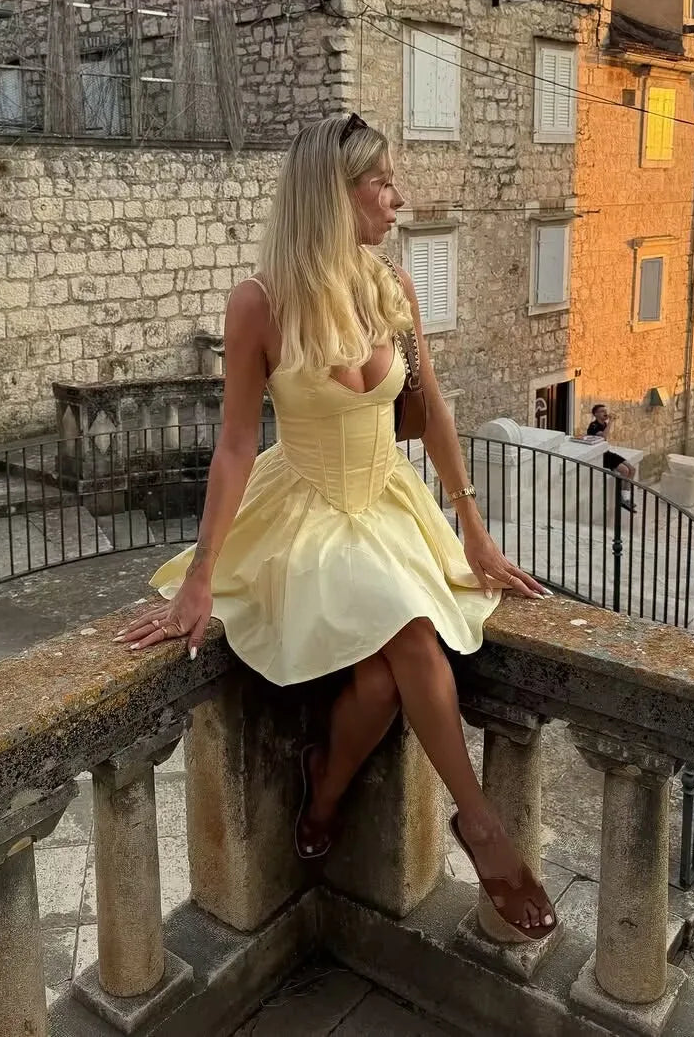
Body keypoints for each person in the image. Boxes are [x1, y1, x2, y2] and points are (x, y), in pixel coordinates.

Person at [116, 114, 558, 941]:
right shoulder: (260, 304)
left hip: (389, 506)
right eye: (381, 183)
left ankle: (323, 790)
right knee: (415, 633)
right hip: (309, 510)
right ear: (332, 193)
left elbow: (428, 411)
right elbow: (239, 445)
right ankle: (483, 827)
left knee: (385, 681)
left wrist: (473, 530)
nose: (399, 199)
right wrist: (203, 576)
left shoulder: (392, 288)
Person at [586, 404, 637, 513]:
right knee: (624, 471)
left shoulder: (604, 423)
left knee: (632, 469)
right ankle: (622, 499)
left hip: (607, 452)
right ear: (595, 414)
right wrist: (611, 422)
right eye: (601, 411)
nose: (605, 413)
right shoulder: (594, 426)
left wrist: (608, 423)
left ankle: (626, 498)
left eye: (605, 411)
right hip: (601, 455)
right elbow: (603, 436)